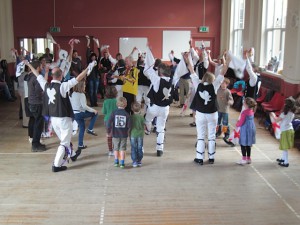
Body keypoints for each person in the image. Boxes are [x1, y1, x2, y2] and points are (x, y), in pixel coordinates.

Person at [25, 58, 94, 172]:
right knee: (64, 142)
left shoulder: (46, 85)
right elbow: (78, 78)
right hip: (64, 119)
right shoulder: (62, 87)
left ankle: (72, 155)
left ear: (52, 75)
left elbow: (37, 74)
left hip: (54, 120)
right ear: (61, 76)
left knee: (64, 139)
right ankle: (56, 165)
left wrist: (29, 65)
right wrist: (88, 68)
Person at [184, 51, 230, 165]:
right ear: (212, 79)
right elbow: (223, 72)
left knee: (201, 136)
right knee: (211, 136)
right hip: (212, 114)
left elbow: (192, 70)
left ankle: (199, 157)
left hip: (200, 114)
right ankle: (211, 157)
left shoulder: (197, 83)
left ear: (204, 78)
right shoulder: (214, 85)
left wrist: (187, 59)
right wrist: (228, 60)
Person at [144, 46, 173, 157]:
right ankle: (160, 148)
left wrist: (148, 53)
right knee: (161, 128)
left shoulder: (157, 79)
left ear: (160, 73)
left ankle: (147, 129)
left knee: (147, 119)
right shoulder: (172, 80)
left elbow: (147, 70)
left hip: (154, 107)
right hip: (165, 108)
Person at [24, 60, 48, 152]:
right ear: (37, 67)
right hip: (37, 104)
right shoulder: (36, 78)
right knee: (38, 125)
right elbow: (39, 92)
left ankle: (36, 142)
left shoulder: (30, 76)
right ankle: (35, 145)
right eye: (41, 66)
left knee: (35, 123)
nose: (42, 67)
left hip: (32, 103)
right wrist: (45, 93)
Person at [70, 80, 98, 151]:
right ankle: (90, 129)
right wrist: (93, 110)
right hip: (80, 113)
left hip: (74, 114)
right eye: (84, 85)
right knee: (95, 113)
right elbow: (84, 106)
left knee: (82, 128)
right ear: (81, 86)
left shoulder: (73, 93)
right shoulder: (82, 94)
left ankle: (80, 144)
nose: (85, 86)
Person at [270, 97, 296, 167]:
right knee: (284, 146)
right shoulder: (292, 113)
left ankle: (286, 162)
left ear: (285, 105)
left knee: (285, 148)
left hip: (285, 131)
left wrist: (272, 115)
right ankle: (283, 158)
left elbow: (276, 120)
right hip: (290, 130)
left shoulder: (284, 114)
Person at [107, 97, 131, 168]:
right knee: (122, 148)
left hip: (115, 134)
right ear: (125, 105)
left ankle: (116, 161)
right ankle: (122, 163)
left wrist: (109, 130)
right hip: (124, 135)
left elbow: (108, 122)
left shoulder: (114, 113)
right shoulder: (127, 114)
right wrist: (128, 132)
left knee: (116, 148)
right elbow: (129, 125)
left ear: (117, 104)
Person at [235, 97, 257, 165]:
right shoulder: (252, 111)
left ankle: (243, 159)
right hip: (251, 129)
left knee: (243, 144)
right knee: (248, 145)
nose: (243, 103)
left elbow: (241, 122)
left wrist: (237, 124)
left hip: (245, 130)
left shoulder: (244, 112)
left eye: (244, 102)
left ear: (246, 104)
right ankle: (248, 158)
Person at [216, 78, 234, 145]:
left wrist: (229, 102)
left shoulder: (228, 91)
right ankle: (218, 132)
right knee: (218, 122)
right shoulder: (218, 90)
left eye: (224, 83)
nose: (222, 85)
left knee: (225, 123)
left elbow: (231, 100)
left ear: (227, 84)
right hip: (218, 109)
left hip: (225, 110)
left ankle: (226, 133)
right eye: (221, 83)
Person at [102, 86, 118, 156]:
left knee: (109, 135)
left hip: (107, 120)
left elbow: (103, 111)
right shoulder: (117, 101)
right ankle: (115, 149)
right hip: (116, 119)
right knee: (115, 135)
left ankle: (110, 151)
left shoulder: (105, 101)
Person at [86, 35, 101, 107]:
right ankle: (92, 103)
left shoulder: (97, 62)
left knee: (95, 92)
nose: (93, 57)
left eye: (94, 56)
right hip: (91, 79)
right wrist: (88, 43)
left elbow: (100, 54)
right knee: (91, 91)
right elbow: (87, 53)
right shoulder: (89, 62)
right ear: (91, 57)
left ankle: (95, 103)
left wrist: (98, 45)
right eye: (92, 56)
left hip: (96, 78)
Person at [130, 102, 145, 167]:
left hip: (133, 134)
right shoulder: (141, 117)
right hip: (140, 135)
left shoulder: (131, 117)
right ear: (140, 109)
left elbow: (129, 126)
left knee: (133, 148)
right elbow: (144, 126)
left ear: (132, 109)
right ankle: (139, 161)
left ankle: (134, 161)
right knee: (140, 148)